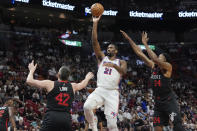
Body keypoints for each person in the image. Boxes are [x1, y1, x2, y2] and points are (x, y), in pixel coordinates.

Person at [120, 30, 186, 131]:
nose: (158, 57)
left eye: (161, 57)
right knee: (157, 127)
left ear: (164, 60)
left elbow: (155, 59)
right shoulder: (153, 66)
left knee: (177, 124)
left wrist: (145, 44)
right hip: (158, 102)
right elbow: (139, 53)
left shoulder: (168, 67)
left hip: (169, 101)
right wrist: (129, 39)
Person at [83, 16, 127, 131]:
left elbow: (124, 72)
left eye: (111, 48)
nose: (108, 49)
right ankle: (93, 126)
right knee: (87, 107)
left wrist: (114, 66)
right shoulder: (102, 58)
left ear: (116, 51)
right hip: (100, 89)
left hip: (112, 93)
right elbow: (94, 42)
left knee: (112, 125)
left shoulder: (121, 62)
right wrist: (95, 23)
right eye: (108, 47)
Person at [26, 60, 94, 131]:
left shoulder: (50, 84)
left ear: (58, 74)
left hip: (51, 117)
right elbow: (83, 84)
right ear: (68, 77)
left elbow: (29, 81)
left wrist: (31, 70)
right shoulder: (72, 86)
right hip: (65, 118)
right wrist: (87, 78)